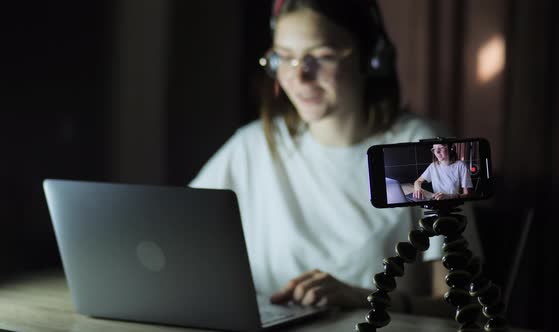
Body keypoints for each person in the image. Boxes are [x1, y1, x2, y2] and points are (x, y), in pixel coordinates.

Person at [190, 0, 481, 317]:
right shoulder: (254, 145)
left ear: (371, 58)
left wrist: (366, 299)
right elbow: (177, 230)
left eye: (323, 57)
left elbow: (463, 308)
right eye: (284, 58)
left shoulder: (426, 148)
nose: (299, 77)